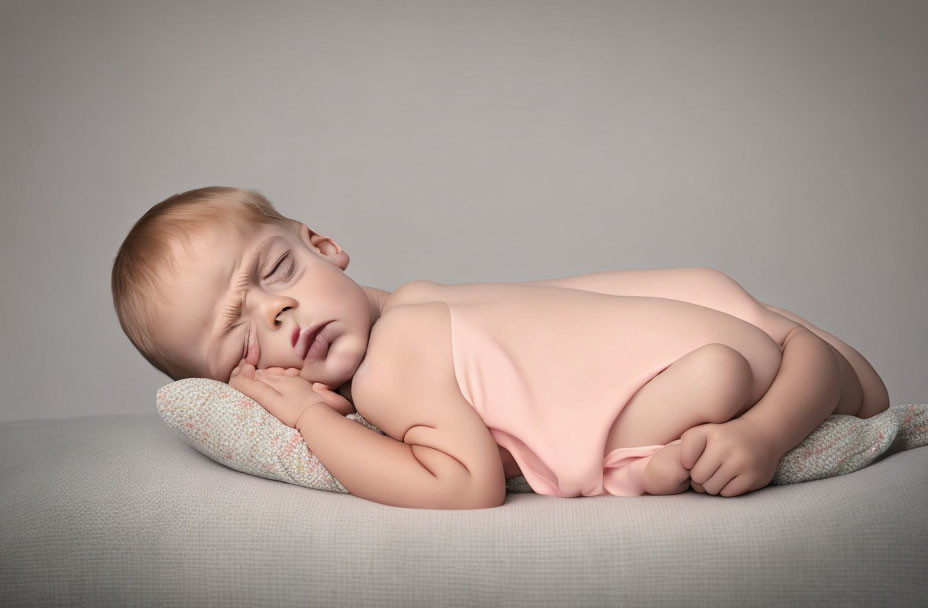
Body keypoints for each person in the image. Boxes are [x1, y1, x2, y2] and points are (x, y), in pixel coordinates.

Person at [111, 186, 890, 509]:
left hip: (697, 376)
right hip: (711, 333)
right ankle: (782, 401)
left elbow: (465, 485)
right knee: (835, 374)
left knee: (716, 386)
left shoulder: (391, 367)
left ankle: (761, 426)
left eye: (276, 273)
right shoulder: (420, 298)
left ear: (324, 245)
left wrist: (316, 423)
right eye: (241, 341)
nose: (278, 317)